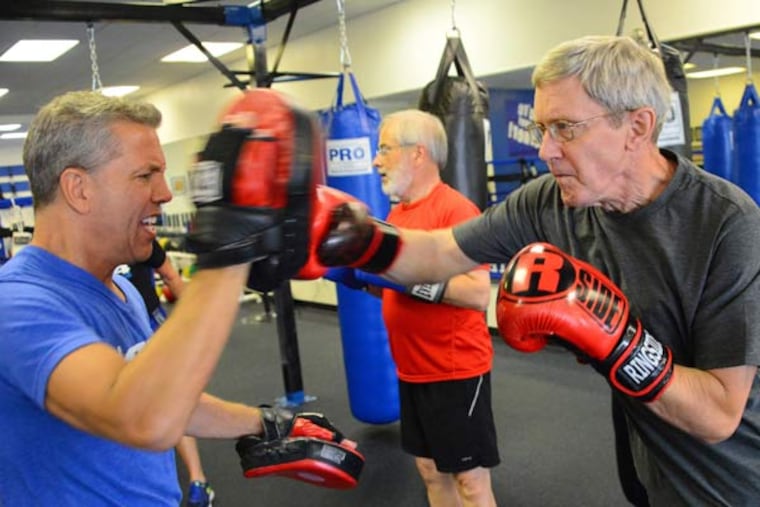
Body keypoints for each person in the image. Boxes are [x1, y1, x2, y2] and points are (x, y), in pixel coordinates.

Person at [312, 35, 760, 506]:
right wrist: (355, 240)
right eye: (543, 128)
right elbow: (439, 252)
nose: (545, 150)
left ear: (637, 127)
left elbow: (718, 414)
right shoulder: (551, 201)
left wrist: (612, 335)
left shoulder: (726, 224)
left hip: (735, 481)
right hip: (649, 466)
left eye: (565, 127)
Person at [0, 89, 358, 505]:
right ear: (78, 189)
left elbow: (163, 397)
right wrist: (230, 245)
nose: (165, 193)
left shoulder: (121, 290)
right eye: (144, 175)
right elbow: (140, 417)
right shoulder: (18, 305)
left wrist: (266, 422)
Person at [371, 110, 499, 506]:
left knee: (470, 481)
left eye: (385, 149)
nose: (376, 161)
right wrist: (364, 279)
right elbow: (396, 292)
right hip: (412, 368)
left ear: (418, 154)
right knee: (429, 470)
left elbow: (478, 293)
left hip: (454, 369)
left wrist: (407, 278)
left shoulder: (455, 211)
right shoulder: (397, 215)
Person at [121, 239, 214, 507]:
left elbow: (172, 276)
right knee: (166, 399)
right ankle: (196, 480)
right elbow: (171, 276)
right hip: (137, 324)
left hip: (144, 323)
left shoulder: (140, 241)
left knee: (169, 399)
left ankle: (197, 480)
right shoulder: (133, 239)